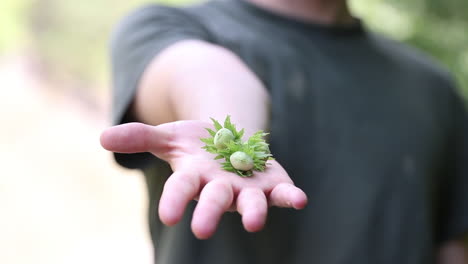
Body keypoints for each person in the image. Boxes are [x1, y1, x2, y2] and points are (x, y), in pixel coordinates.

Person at [100, 0, 468, 263]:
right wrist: (233, 132)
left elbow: (451, 244)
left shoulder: (433, 87)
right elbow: (202, 74)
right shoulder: (166, 27)